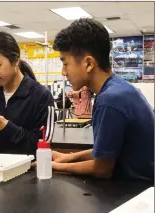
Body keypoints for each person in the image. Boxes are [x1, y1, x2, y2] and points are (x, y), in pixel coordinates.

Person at [50, 18, 154, 180]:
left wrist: (55, 166)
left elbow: (101, 168)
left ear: (89, 64)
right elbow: (106, 152)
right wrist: (68, 157)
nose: (64, 72)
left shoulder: (109, 100)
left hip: (138, 193)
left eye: (66, 64)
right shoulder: (119, 88)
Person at [0, 31, 55, 157]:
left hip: (29, 172)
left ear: (15, 61)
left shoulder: (41, 96)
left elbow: (43, 145)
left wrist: (6, 127)